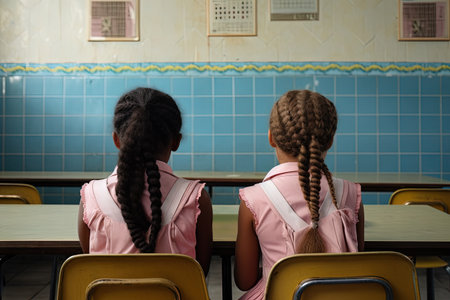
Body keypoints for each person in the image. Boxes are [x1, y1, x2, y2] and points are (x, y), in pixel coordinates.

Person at [234, 90, 365, 299]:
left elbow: (245, 280)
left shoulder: (253, 200)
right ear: (330, 141)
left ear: (271, 138)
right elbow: (355, 264)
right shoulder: (351, 193)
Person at [78, 87, 213, 275]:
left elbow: (89, 261)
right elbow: (200, 272)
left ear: (116, 140)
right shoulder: (197, 199)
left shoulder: (91, 197)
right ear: (176, 142)